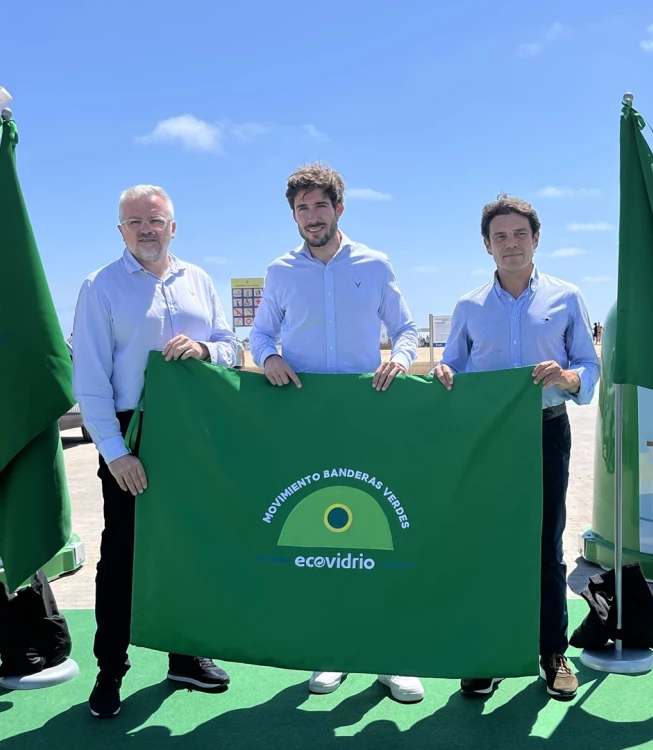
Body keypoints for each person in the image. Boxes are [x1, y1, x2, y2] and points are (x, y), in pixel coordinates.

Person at [248, 162, 424, 703]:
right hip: (302, 422)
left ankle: (391, 654)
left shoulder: (375, 264)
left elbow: (407, 330)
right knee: (323, 538)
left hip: (369, 418)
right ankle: (334, 650)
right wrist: (270, 355)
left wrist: (401, 358)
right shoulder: (280, 271)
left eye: (320, 206)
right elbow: (258, 334)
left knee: (379, 533)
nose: (311, 216)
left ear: (339, 208)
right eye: (301, 208)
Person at [72, 185, 235, 719]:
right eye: (135, 221)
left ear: (173, 227)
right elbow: (91, 380)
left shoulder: (200, 281)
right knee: (123, 558)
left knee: (188, 548)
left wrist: (207, 348)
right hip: (130, 433)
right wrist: (117, 454)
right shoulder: (100, 287)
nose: (147, 229)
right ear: (121, 230)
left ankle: (184, 656)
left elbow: (231, 347)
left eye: (156, 220)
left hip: (192, 433)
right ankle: (110, 671)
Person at [433, 194, 600, 700]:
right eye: (500, 237)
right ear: (487, 245)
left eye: (519, 235)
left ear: (536, 239)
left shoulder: (566, 297)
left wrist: (569, 376)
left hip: (547, 430)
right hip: (489, 442)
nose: (511, 244)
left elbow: (589, 369)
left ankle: (552, 652)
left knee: (546, 547)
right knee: (489, 545)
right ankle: (490, 651)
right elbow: (453, 371)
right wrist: (443, 374)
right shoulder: (468, 306)